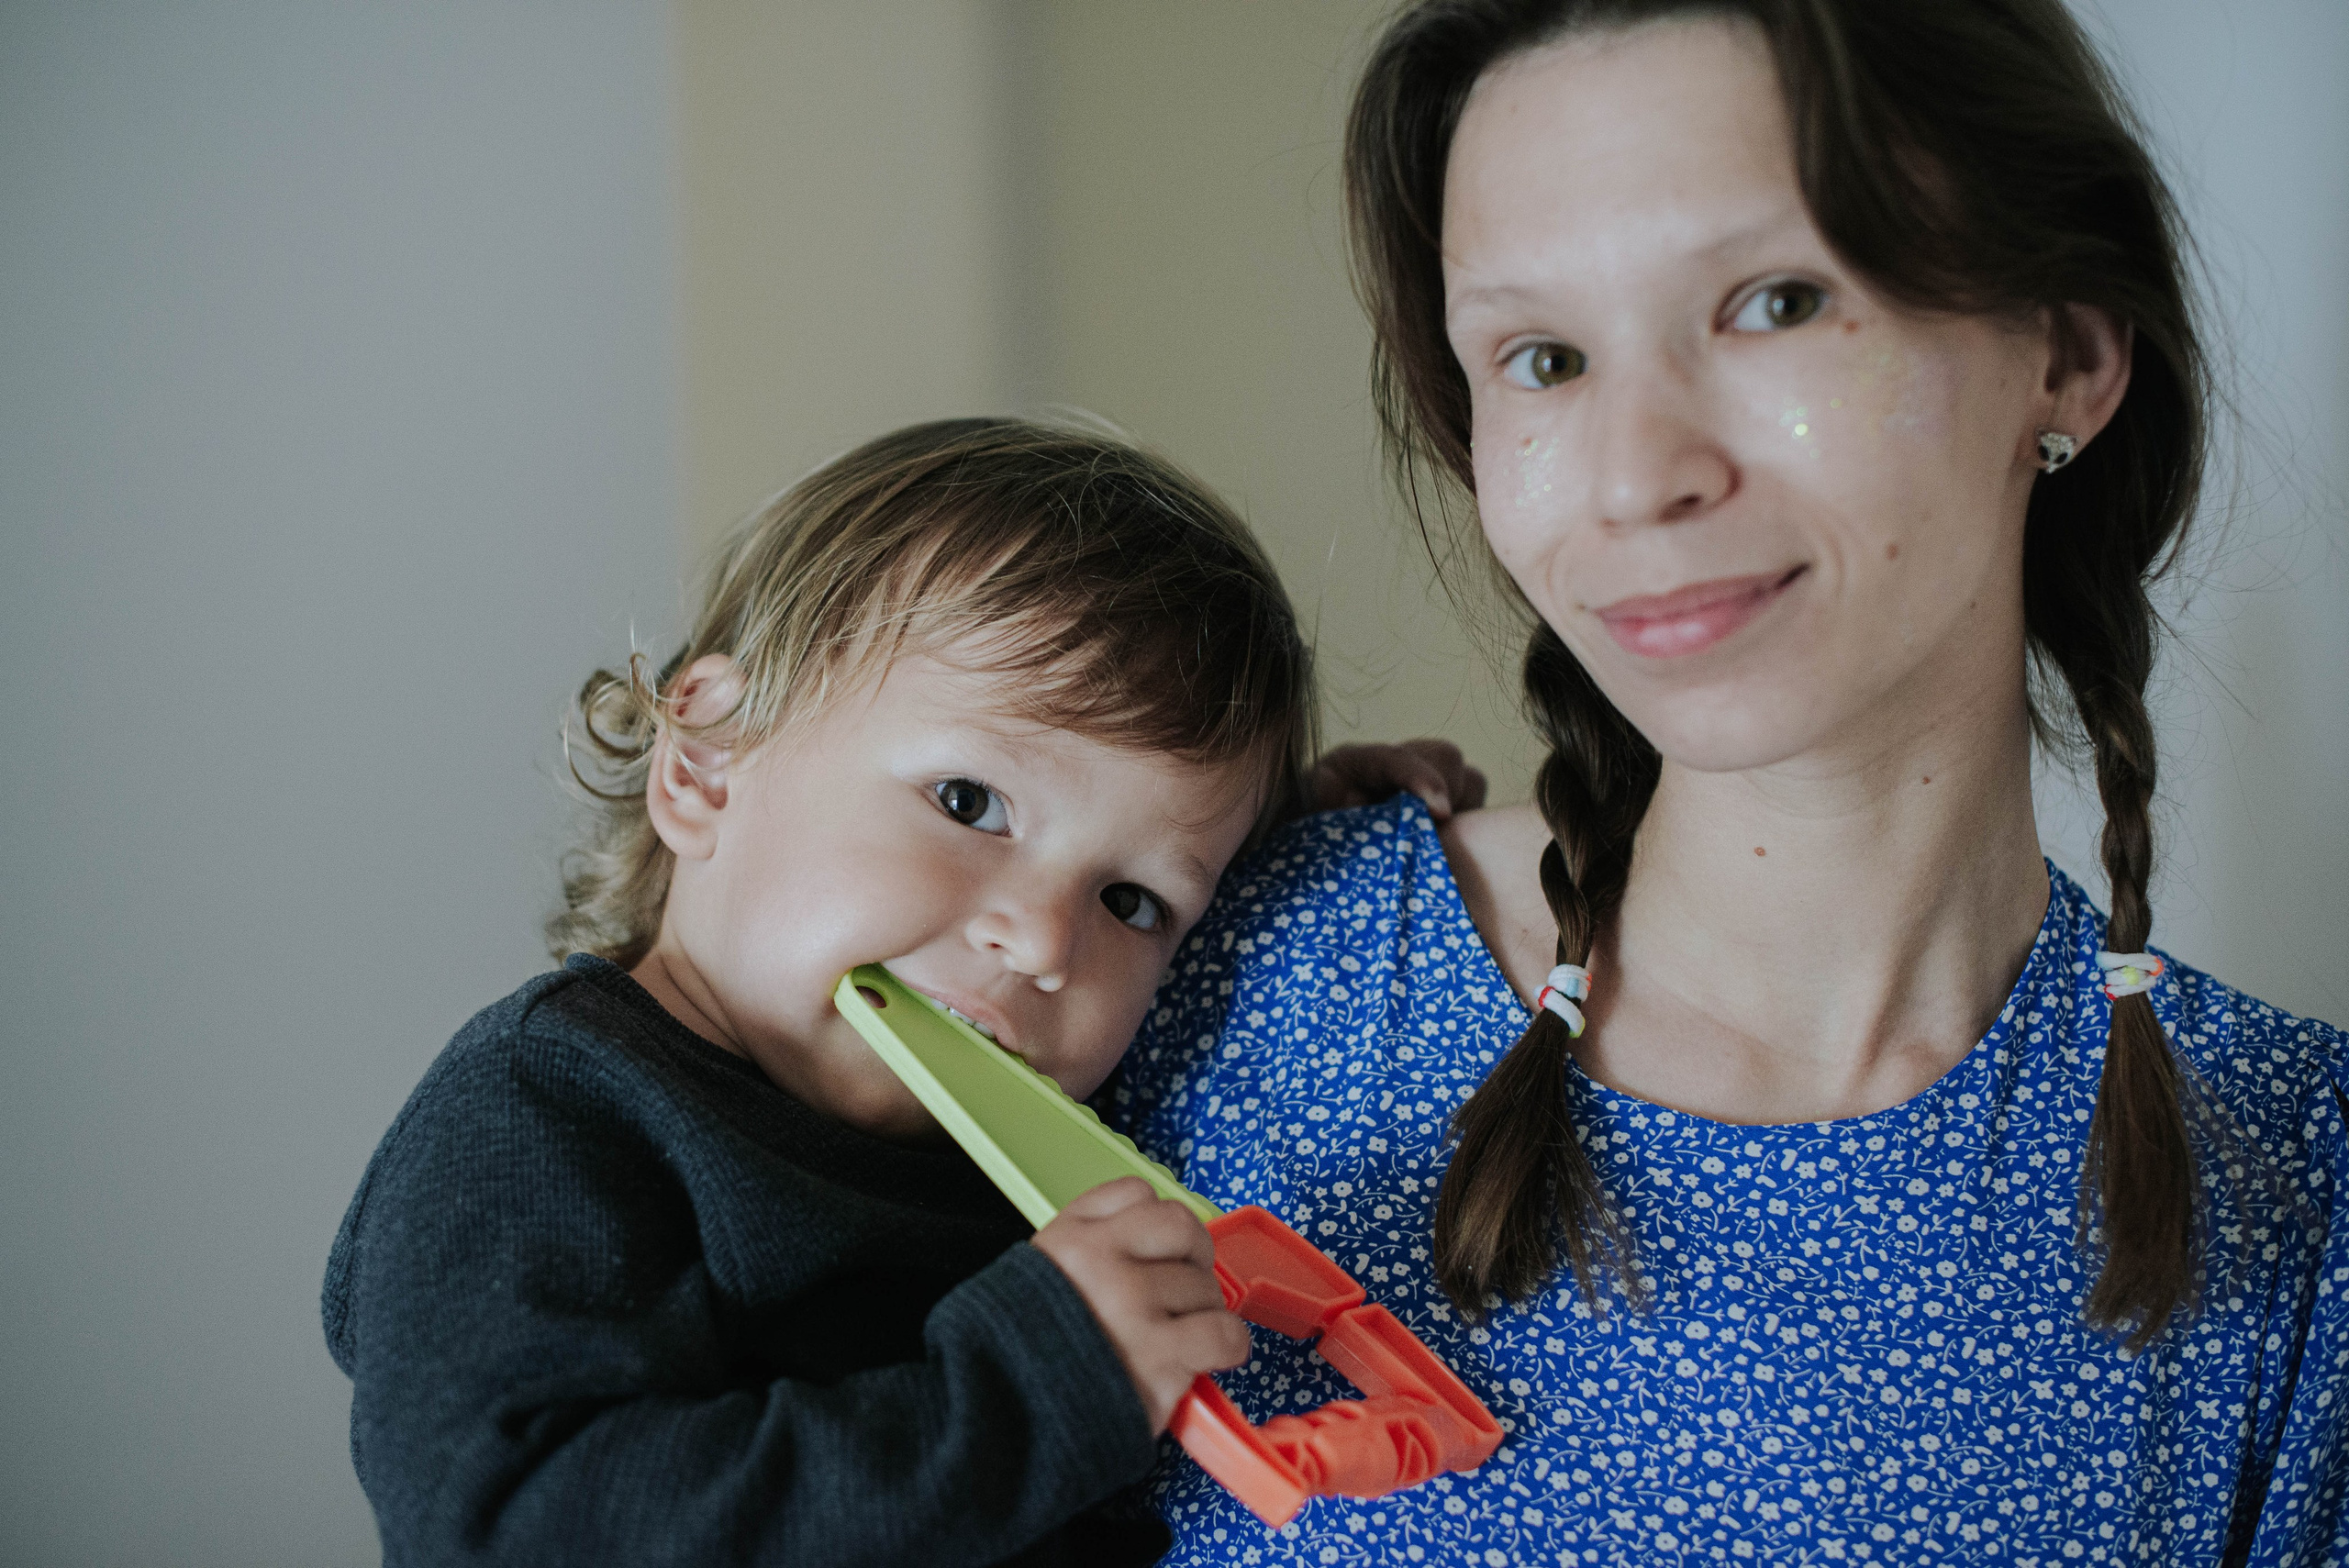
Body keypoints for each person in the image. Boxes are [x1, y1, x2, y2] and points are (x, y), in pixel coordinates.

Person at [1112, 2, 2349, 1562]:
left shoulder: (2302, 1198)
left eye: (1774, 302)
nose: (1638, 472)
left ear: (2070, 349)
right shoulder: (1198, 965)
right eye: (1543, 356)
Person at [325, 417, 1331, 1566]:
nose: (1044, 938)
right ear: (703, 762)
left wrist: (1340, 837)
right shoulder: (547, 1110)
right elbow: (513, 1524)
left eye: (1133, 899)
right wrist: (1024, 1390)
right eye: (966, 801)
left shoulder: (1025, 1145)